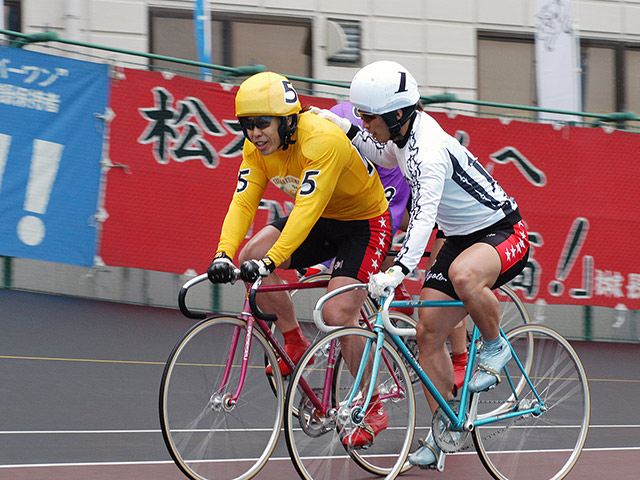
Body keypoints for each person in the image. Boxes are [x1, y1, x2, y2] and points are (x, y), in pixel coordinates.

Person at [314, 60, 530, 467]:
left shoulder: (429, 151)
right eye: (359, 115)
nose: (364, 121)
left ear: (396, 114)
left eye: (367, 116)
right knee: (429, 334)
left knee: (464, 276)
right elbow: (383, 155)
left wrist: (399, 270)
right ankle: (445, 428)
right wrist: (339, 125)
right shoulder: (401, 135)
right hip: (460, 237)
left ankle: (496, 345)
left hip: (502, 230)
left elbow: (423, 218)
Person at [206, 71, 392, 447]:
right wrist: (223, 253)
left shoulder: (321, 139)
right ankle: (294, 338)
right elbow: (243, 202)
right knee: (249, 256)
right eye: (247, 124)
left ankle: (372, 403)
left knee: (339, 313)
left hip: (364, 225)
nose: (255, 133)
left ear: (287, 120)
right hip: (323, 220)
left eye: (262, 123)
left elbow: (305, 210)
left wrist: (273, 261)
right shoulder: (256, 150)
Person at [304, 101, 415, 316]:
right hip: (369, 192)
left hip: (412, 199)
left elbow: (383, 222)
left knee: (442, 284)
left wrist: (325, 262)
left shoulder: (383, 155)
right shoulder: (331, 145)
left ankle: (458, 348)